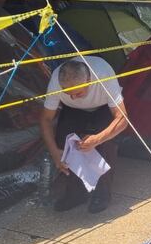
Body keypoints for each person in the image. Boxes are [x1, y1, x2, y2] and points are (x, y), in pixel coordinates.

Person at [39, 57, 128, 213]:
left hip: (103, 107)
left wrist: (97, 139)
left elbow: (122, 119)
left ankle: (102, 193)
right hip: (72, 110)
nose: (73, 96)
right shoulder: (56, 81)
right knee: (64, 140)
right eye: (68, 93)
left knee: (106, 143)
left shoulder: (102, 73)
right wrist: (54, 152)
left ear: (89, 80)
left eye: (78, 92)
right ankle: (76, 193)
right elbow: (46, 119)